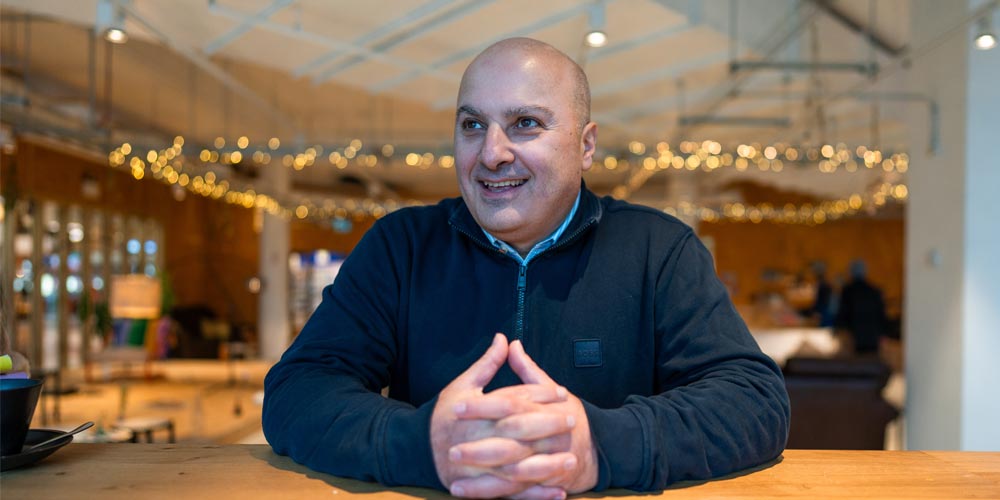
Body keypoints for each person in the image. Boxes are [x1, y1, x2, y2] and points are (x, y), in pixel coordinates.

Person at [262, 37, 789, 499]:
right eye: (473, 125)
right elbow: (299, 389)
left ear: (585, 145)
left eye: (525, 124)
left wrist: (597, 446)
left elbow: (753, 401)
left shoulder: (659, 249)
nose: (492, 153)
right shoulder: (401, 247)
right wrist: (423, 444)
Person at [835, 260, 888, 355]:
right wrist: (882, 333)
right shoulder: (874, 291)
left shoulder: (848, 291)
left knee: (856, 362)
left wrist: (838, 329)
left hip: (854, 337)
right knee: (870, 361)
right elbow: (881, 315)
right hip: (872, 337)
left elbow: (843, 313)